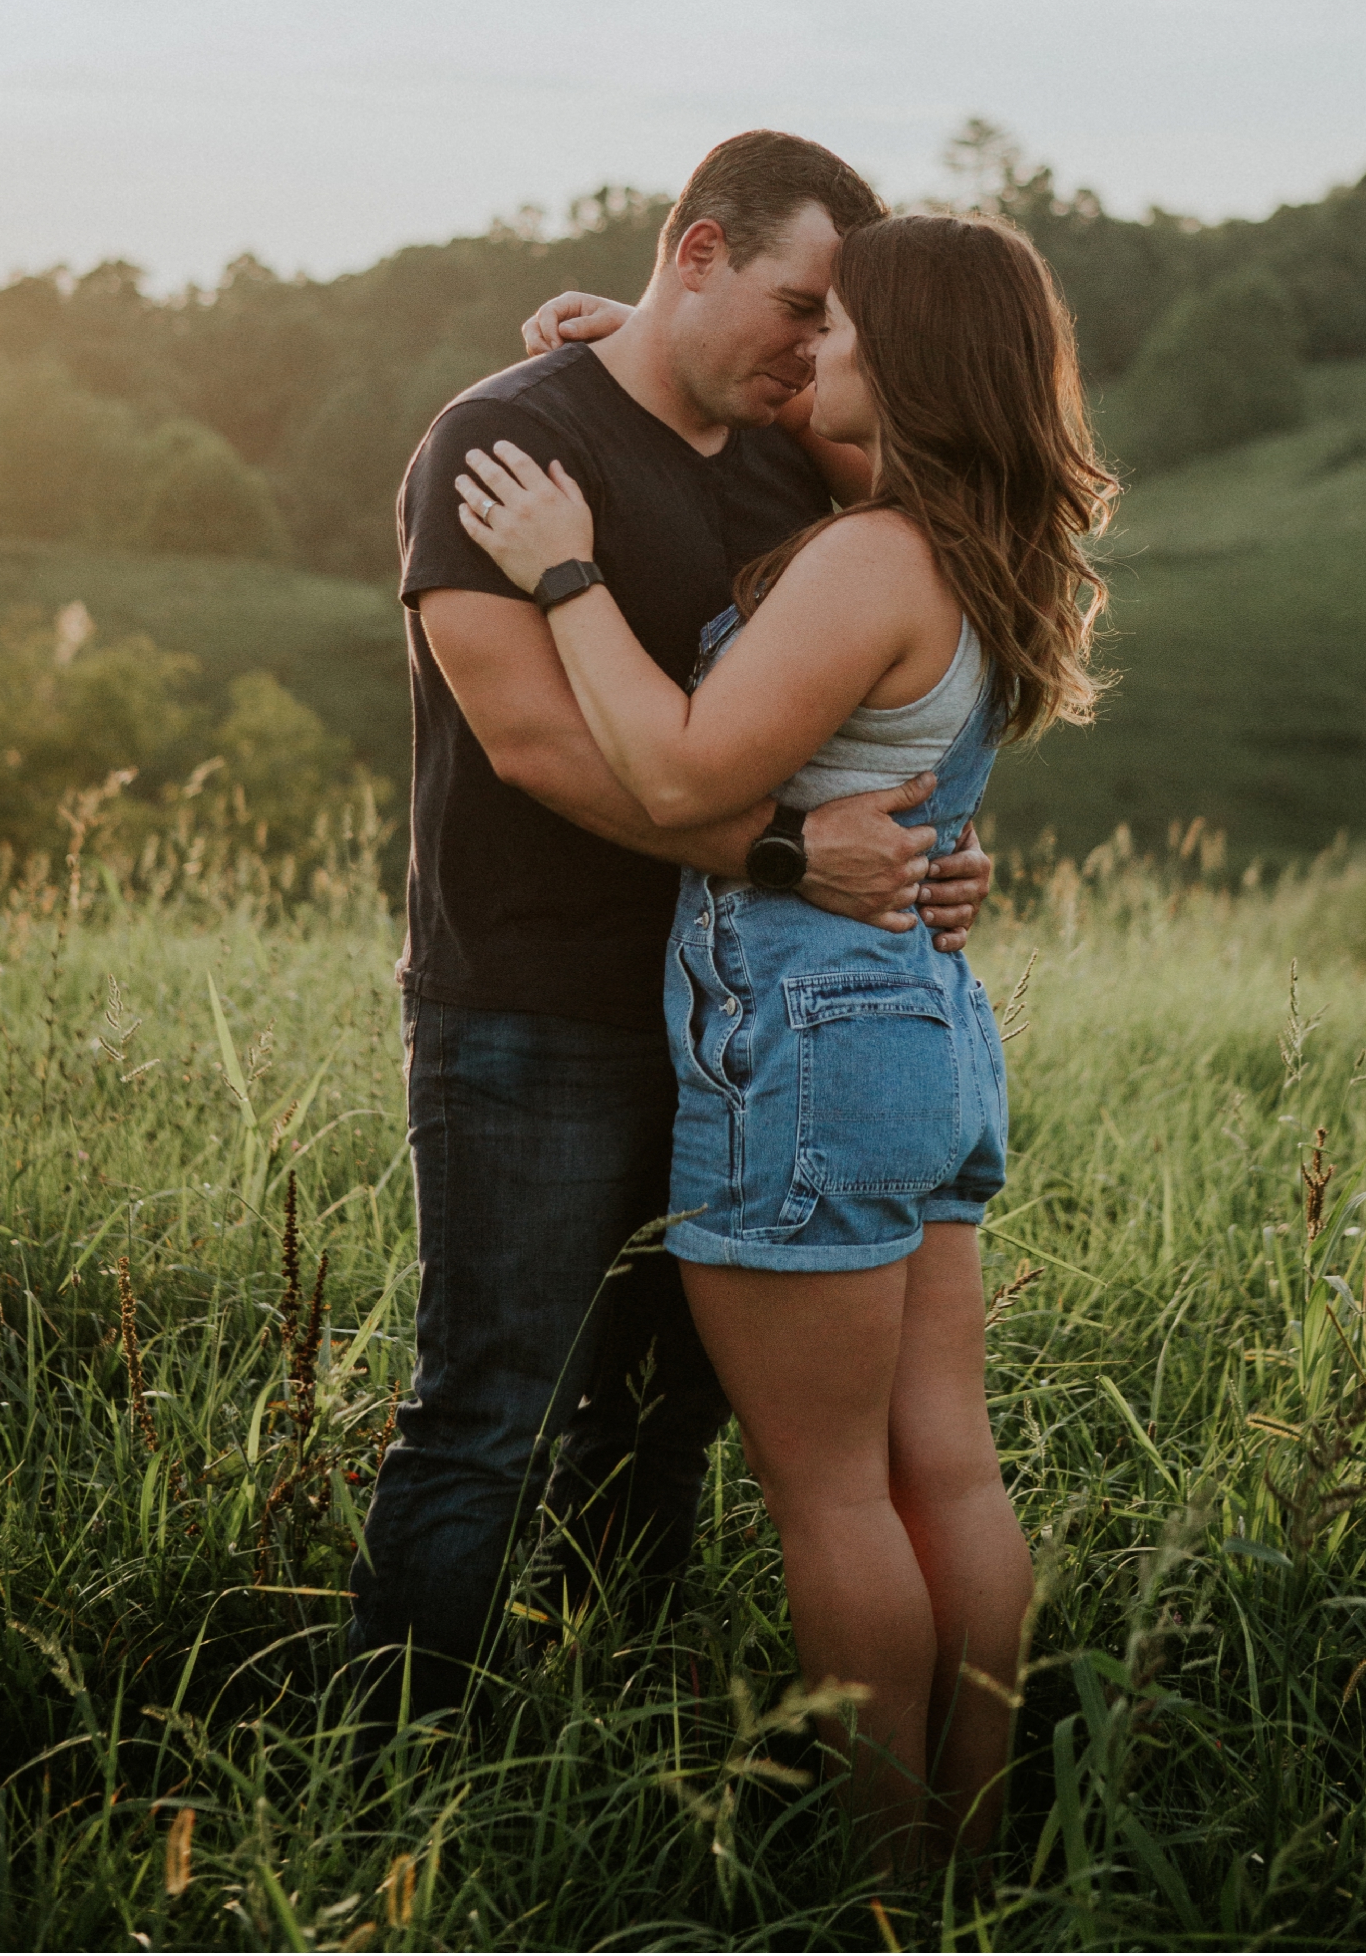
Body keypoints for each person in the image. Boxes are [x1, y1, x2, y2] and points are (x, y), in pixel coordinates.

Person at [456, 210, 1117, 1863]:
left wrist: (563, 567)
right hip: (929, 1033)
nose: (811, 348)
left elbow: (682, 776)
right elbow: (813, 437)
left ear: (907, 358)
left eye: (839, 326)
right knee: (946, 1470)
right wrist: (644, 350)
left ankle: (887, 1880)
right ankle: (975, 1844)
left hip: (812, 1042)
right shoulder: (972, 543)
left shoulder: (868, 560)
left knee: (830, 1494)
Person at [346, 134, 996, 1733]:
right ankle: (396, 1759)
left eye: (835, 319)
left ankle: (617, 1724)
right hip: (537, 1006)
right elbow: (539, 746)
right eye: (796, 302)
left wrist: (939, 851)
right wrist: (794, 857)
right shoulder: (502, 444)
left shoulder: (804, 456)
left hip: (744, 1034)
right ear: (695, 252)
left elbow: (903, 665)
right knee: (492, 1408)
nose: (815, 346)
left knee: (663, 1419)